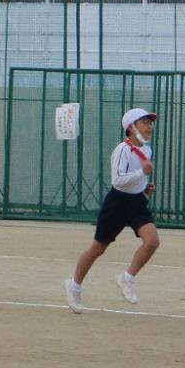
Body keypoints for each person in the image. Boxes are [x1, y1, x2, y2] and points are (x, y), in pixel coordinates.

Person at [66, 107, 162, 313]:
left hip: (136, 203)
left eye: (150, 122)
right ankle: (74, 286)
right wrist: (141, 173)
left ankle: (127, 278)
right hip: (117, 204)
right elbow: (118, 180)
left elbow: (137, 179)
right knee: (98, 249)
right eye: (144, 122)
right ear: (131, 127)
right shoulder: (122, 150)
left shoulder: (147, 150)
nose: (150, 126)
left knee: (152, 241)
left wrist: (145, 189)